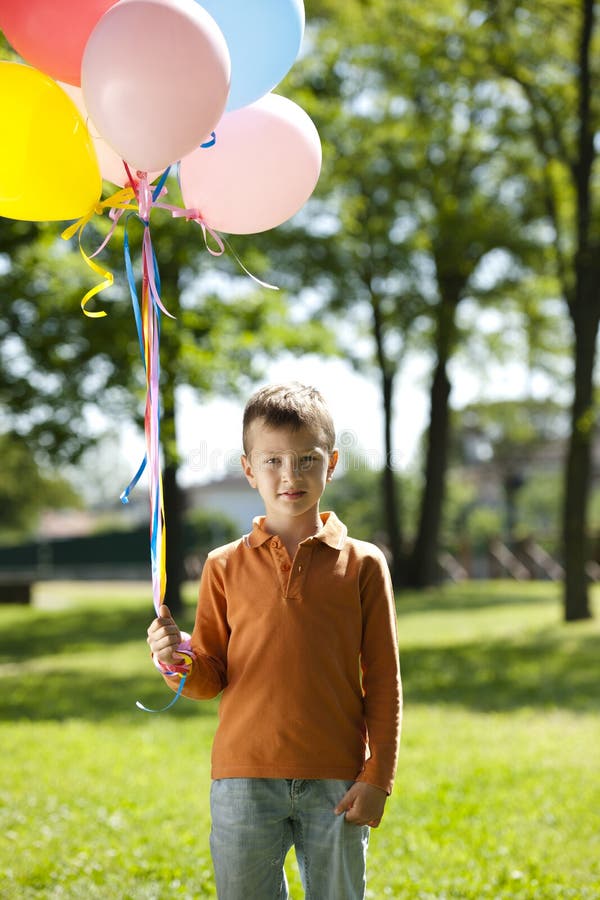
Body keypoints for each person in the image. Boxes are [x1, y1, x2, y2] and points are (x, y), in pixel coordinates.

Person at [147, 382, 402, 899]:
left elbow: (383, 680)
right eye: (273, 461)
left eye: (307, 459)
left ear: (331, 464)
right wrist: (177, 661)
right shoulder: (223, 565)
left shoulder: (365, 564)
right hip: (243, 778)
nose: (291, 475)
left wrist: (378, 777)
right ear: (248, 469)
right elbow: (209, 677)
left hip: (337, 779)